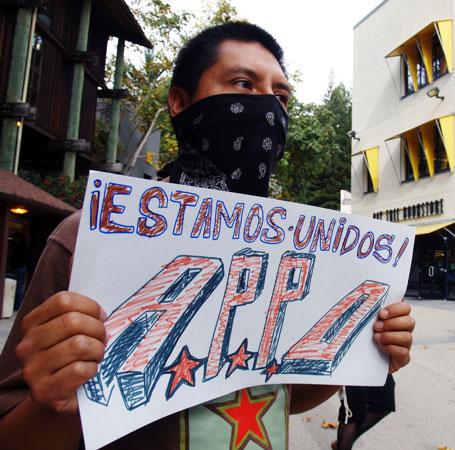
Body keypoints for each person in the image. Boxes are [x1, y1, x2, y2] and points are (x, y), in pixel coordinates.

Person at [0, 22, 414, 449]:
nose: (268, 108)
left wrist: (360, 349)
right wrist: (54, 397)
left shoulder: (290, 251)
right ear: (180, 102)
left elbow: (282, 395)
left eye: (281, 96)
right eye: (243, 84)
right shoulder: (88, 239)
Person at [332, 375, 396, 450]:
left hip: (374, 368)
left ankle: (343, 441)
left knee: (385, 401)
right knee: (352, 411)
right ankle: (344, 443)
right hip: (349, 370)